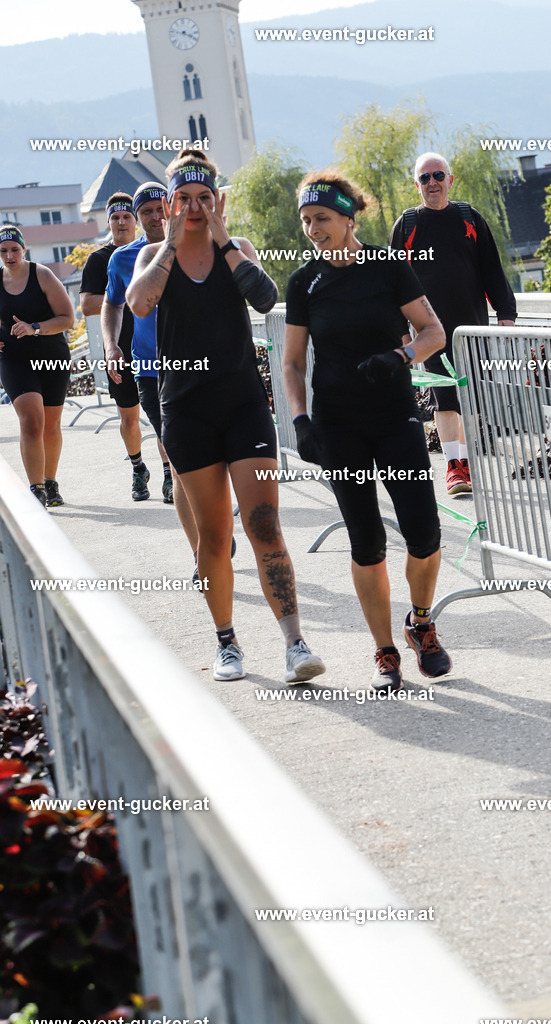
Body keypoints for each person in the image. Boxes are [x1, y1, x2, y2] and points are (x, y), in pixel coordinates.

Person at [126, 148, 325, 684]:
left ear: (217, 200)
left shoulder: (236, 249)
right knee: (213, 538)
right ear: (170, 203)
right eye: (185, 199)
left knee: (265, 525)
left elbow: (265, 298)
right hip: (186, 411)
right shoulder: (152, 256)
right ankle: (227, 642)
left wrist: (224, 241)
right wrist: (169, 242)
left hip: (243, 408)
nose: (195, 207)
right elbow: (139, 305)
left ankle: (295, 642)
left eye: (204, 198)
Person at [283, 172, 452, 692]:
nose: (314, 229)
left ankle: (420, 622)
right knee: (366, 540)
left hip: (394, 416)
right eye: (307, 221)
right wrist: (300, 421)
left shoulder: (388, 267)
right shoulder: (303, 283)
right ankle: (384, 651)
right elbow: (291, 363)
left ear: (348, 219)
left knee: (424, 532)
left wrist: (398, 356)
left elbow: (434, 331)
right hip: (338, 426)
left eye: (323, 219)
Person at [390, 152, 517, 497]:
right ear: (416, 184)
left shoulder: (469, 217)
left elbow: (491, 267)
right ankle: (453, 468)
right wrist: (400, 332)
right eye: (424, 178)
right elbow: (393, 283)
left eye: (438, 176)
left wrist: (505, 310)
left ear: (450, 179)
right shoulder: (407, 225)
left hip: (471, 325)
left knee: (471, 398)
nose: (432, 183)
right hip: (428, 329)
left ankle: (469, 464)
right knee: (445, 399)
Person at [102, 182, 200, 567]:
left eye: (160, 209)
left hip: (197, 366)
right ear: (139, 217)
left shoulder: (196, 246)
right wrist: (112, 346)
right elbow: (112, 305)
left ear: (171, 207)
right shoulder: (123, 259)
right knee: (177, 456)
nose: (155, 218)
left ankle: (212, 529)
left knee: (205, 457)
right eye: (146, 212)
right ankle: (200, 553)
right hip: (149, 370)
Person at [81, 192, 154, 502]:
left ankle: (168, 473)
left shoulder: (154, 251)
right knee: (129, 417)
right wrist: (126, 294)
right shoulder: (100, 259)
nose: (121, 222)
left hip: (154, 346)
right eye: (115, 217)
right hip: (121, 349)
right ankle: (138, 468)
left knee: (165, 412)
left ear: (135, 221)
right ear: (108, 222)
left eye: (126, 216)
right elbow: (86, 305)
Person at [0, 226, 74, 506]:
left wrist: (34, 328)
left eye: (14, 249)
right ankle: (36, 489)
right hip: (15, 360)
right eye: (3, 251)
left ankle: (51, 481)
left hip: (51, 356)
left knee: (51, 425)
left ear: (24, 249)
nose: (9, 255)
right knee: (31, 420)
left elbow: (68, 318)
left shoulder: (41, 275)